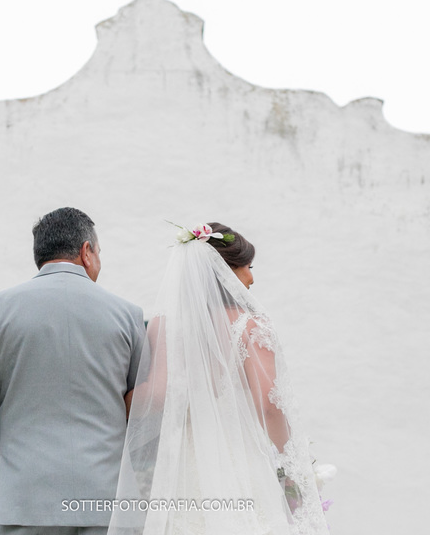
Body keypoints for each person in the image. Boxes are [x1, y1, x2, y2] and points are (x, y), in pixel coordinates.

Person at [107, 223, 330, 535]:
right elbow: (268, 405)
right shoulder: (250, 326)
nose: (251, 278)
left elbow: (156, 395)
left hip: (184, 469)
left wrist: (113, 399)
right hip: (239, 464)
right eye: (247, 267)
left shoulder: (164, 324)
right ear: (225, 272)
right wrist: (292, 462)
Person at [0, 207, 147, 535]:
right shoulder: (128, 315)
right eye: (99, 253)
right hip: (107, 506)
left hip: (20, 506)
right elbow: (143, 410)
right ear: (86, 252)